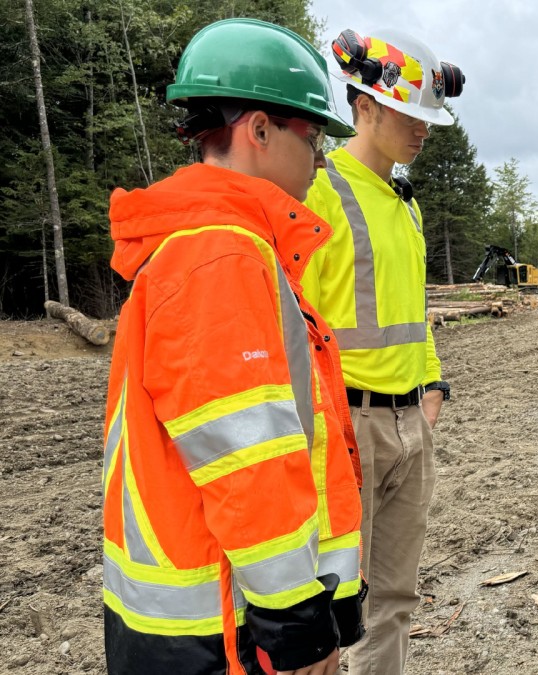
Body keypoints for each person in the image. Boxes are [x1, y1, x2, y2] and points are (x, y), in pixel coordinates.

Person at [102, 18, 363, 675]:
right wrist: (298, 625)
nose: (321, 159)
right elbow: (247, 458)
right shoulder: (218, 253)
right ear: (259, 130)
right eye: (315, 136)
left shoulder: (219, 245)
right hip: (221, 632)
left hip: (216, 617)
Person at [300, 29, 461, 675]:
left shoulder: (406, 203)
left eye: (429, 117)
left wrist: (432, 390)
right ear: (365, 105)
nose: (423, 130)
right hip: (347, 427)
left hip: (409, 425)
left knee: (395, 597)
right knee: (331, 602)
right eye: (411, 115)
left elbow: (411, 314)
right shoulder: (320, 192)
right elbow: (298, 325)